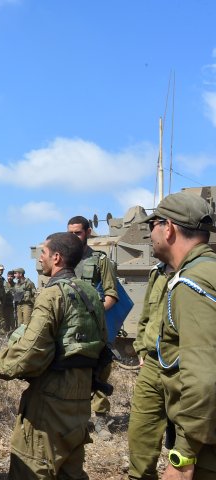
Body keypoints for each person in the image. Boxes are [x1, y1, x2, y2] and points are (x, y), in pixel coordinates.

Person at [0, 232, 106, 479]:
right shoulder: (91, 293)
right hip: (81, 395)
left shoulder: (53, 294)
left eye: (43, 253)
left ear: (56, 257)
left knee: (32, 466)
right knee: (70, 470)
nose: (39, 259)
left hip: (51, 397)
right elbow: (103, 345)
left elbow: (32, 350)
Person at [137, 193, 216, 480]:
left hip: (206, 445)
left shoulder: (191, 282)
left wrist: (182, 455)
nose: (150, 235)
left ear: (168, 228)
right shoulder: (209, 271)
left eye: (153, 226)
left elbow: (204, 377)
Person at [67, 215, 119, 440]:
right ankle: (75, 418)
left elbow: (111, 295)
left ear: (88, 232)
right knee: (69, 371)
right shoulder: (64, 259)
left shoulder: (100, 260)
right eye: (70, 232)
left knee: (100, 371)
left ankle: (100, 419)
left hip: (94, 327)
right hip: (68, 328)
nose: (73, 237)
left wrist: (94, 315)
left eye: (77, 232)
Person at [127, 259, 172, 479]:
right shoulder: (158, 271)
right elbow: (146, 316)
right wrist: (142, 349)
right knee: (141, 432)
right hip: (153, 363)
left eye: (153, 223)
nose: (150, 231)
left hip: (186, 365)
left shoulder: (202, 271)